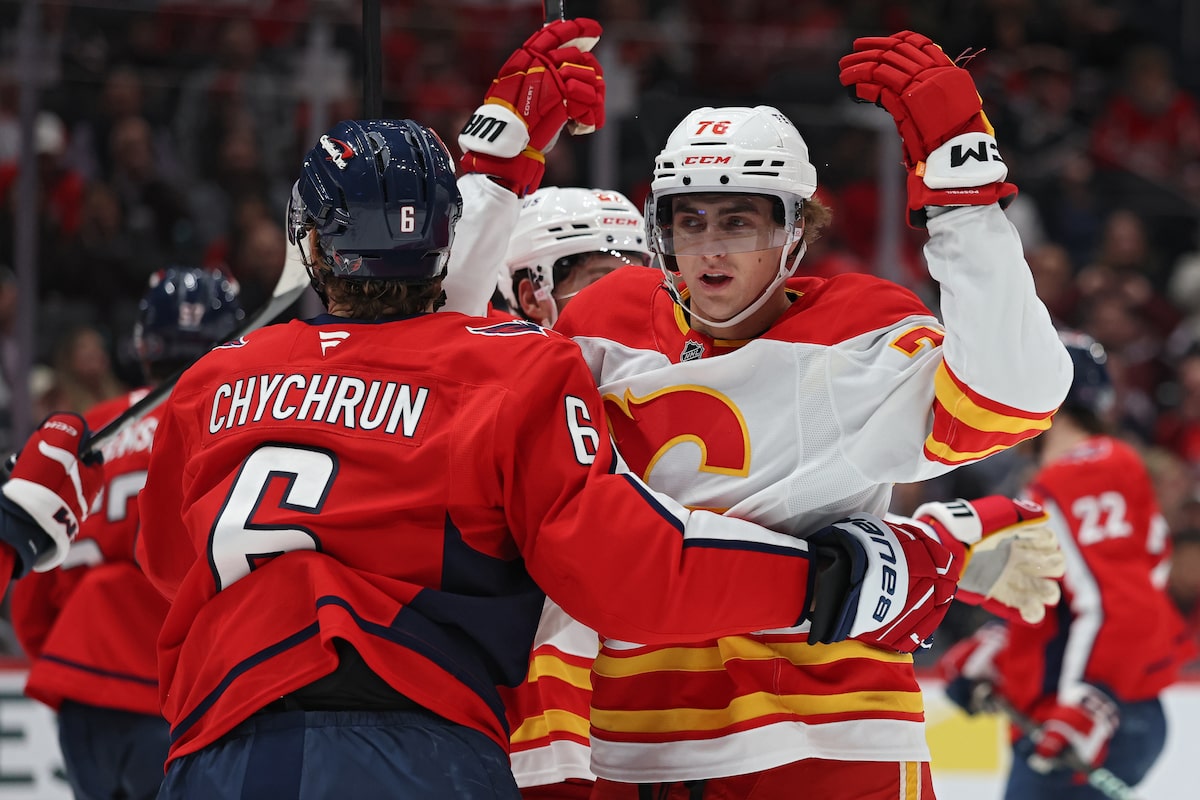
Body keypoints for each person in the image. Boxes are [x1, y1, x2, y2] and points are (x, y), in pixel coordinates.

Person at [132, 113, 967, 797]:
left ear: (309, 240)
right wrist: (834, 579)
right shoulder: (513, 362)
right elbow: (629, 563)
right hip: (423, 739)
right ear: (460, 246)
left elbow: (169, 567)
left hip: (220, 738)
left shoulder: (217, 378)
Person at [525, 30, 1072, 800]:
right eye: (691, 221)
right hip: (647, 743)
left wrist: (963, 194)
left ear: (793, 231)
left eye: (739, 221)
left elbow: (1016, 396)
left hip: (830, 736)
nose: (710, 248)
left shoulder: (859, 330)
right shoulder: (603, 324)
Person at [10, 267, 243, 800]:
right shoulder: (232, 422)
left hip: (82, 675)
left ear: (142, 343)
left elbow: (32, 571)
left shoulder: (94, 428)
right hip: (183, 682)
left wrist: (66, 655)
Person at [939, 332, 1196, 800]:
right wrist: (1000, 650)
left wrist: (1089, 700)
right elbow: (1065, 601)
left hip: (1092, 715)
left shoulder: (1084, 469)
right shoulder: (1086, 470)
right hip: (1078, 711)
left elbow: (1118, 603)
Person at [492, 186, 652, 798]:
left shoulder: (676, 399)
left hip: (639, 720)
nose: (629, 299)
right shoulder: (498, 398)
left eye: (640, 277)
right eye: (602, 279)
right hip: (530, 719)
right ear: (532, 291)